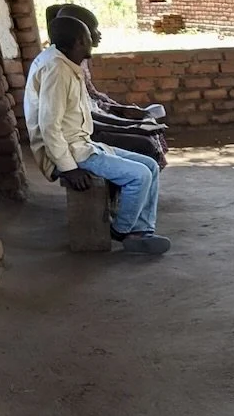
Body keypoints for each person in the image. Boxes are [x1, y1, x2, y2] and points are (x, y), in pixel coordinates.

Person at [25, 16, 171, 255]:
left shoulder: (65, 62)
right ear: (79, 42)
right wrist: (68, 168)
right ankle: (121, 230)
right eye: (88, 36)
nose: (93, 40)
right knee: (140, 176)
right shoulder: (57, 71)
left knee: (150, 166)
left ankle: (142, 231)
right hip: (72, 152)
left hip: (82, 144)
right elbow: (49, 126)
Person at [41, 4, 170, 168]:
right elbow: (81, 118)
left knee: (148, 128)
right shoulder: (60, 70)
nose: (99, 34)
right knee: (145, 143)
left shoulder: (77, 60)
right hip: (82, 138)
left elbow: (92, 100)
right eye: (93, 30)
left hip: (90, 124)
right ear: (80, 37)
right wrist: (129, 126)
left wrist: (122, 111)